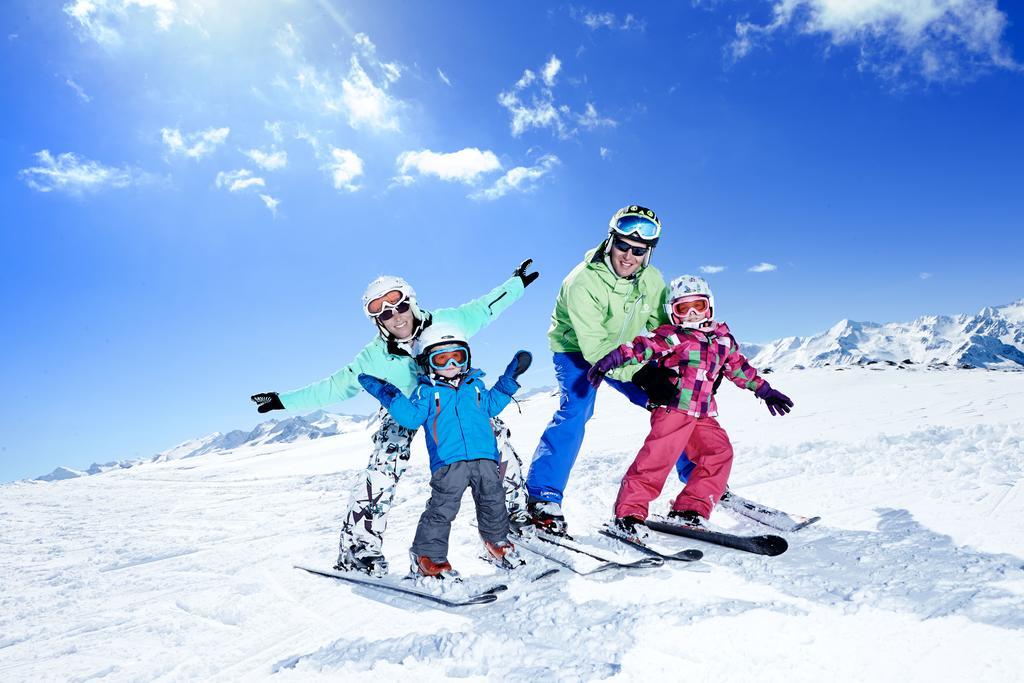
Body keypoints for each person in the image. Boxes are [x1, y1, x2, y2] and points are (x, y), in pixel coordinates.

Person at [250, 261, 539, 576]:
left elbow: (486, 308)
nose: (395, 315)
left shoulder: (446, 322)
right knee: (384, 466)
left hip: (458, 399)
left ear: (411, 301)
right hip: (403, 407)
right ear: (376, 320)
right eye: (383, 312)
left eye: (398, 304)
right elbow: (333, 387)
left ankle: (515, 519)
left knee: (496, 447)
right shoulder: (374, 357)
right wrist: (283, 400)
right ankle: (359, 549)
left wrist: (515, 284)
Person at [523, 205, 693, 534]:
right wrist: (642, 374)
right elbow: (597, 349)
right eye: (623, 246)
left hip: (627, 350)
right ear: (610, 241)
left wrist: (683, 364)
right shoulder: (582, 282)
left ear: (648, 253)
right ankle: (543, 495)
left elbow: (664, 329)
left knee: (676, 404)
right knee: (576, 411)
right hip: (577, 350)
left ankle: (698, 478)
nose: (629, 256)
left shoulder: (653, 280)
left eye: (639, 251)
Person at [587, 275, 794, 536]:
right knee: (656, 462)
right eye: (683, 309)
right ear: (673, 314)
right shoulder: (674, 336)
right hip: (673, 409)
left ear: (710, 306)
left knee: (719, 454)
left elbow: (740, 369)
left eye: (699, 305)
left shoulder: (723, 340)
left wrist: (765, 391)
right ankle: (628, 514)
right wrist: (614, 358)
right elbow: (643, 347)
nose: (693, 314)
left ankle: (690, 509)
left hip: (703, 413)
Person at [358, 324, 531, 578]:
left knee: (494, 500)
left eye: (457, 356)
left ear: (466, 357)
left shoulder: (476, 387)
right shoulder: (426, 392)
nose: (451, 363)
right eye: (441, 358)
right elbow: (410, 418)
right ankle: (427, 556)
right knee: (442, 509)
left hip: (485, 458)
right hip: (449, 464)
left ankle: (497, 542)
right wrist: (387, 393)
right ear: (427, 363)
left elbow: (492, 406)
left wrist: (509, 379)